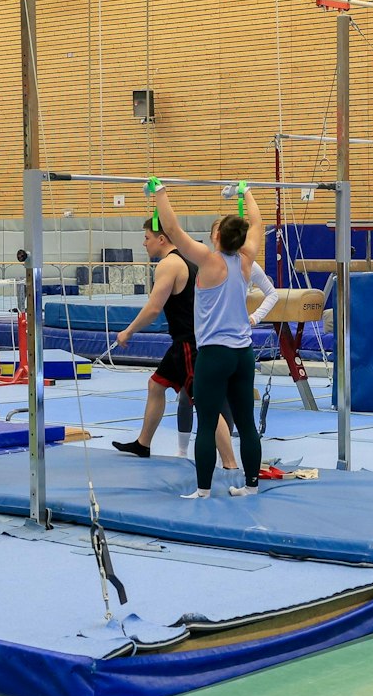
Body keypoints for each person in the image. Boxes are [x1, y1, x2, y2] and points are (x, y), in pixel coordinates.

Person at [151, 180, 264, 499]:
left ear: (216, 237)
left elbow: (171, 228)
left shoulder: (208, 260)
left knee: (208, 420)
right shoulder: (246, 258)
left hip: (215, 355)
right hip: (243, 354)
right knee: (245, 421)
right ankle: (251, 486)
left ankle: (202, 490)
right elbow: (258, 223)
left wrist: (159, 191)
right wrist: (246, 191)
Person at [112, 216, 233, 468]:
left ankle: (230, 462)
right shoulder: (188, 261)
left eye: (147, 238)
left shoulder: (168, 265)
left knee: (205, 403)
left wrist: (128, 331)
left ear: (161, 238)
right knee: (156, 385)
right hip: (184, 341)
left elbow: (154, 308)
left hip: (190, 344)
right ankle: (143, 443)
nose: (144, 244)